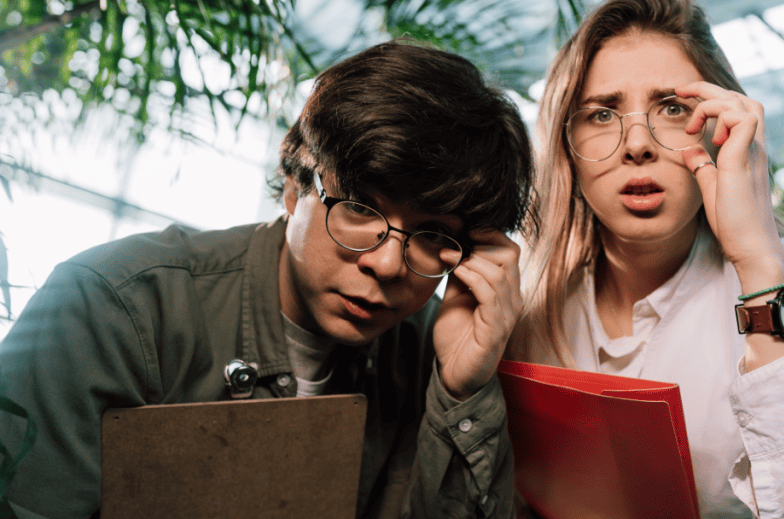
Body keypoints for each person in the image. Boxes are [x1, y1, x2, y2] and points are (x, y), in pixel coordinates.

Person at [0, 40, 532, 519]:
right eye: (360, 207)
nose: (388, 264)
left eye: (432, 232)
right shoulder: (115, 305)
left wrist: (463, 393)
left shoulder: (433, 354)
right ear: (294, 185)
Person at [506, 0, 784, 517]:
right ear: (566, 149)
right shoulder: (532, 304)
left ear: (719, 129)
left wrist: (758, 263)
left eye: (670, 107)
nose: (637, 144)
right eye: (601, 113)